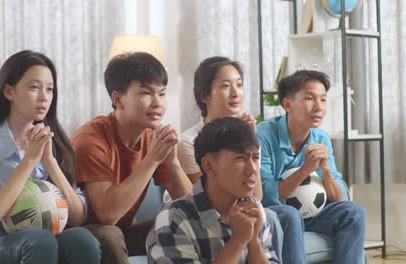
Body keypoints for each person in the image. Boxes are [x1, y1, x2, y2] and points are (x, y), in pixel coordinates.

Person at [0, 50, 101, 264]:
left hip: (40, 243)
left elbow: (78, 218)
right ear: (9, 91)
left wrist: (49, 162)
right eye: (34, 87)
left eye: (50, 89)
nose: (44, 97)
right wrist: (29, 161)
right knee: (40, 240)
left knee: (82, 239)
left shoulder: (53, 141)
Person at [71, 52, 193, 263]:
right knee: (110, 235)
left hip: (120, 233)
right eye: (146, 93)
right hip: (79, 238)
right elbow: (107, 216)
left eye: (162, 94)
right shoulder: (90, 139)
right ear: (118, 99)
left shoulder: (152, 137)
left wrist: (172, 163)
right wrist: (152, 160)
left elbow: (193, 208)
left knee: (181, 222)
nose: (158, 103)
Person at [176, 56, 301, 262]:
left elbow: (255, 196)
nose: (236, 92)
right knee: (271, 216)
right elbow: (209, 195)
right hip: (202, 214)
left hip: (237, 204)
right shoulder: (189, 142)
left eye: (239, 85)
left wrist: (251, 141)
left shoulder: (247, 135)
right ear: (204, 95)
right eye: (226, 86)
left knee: (278, 214)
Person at [257, 70, 366, 263]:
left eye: (323, 100)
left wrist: (325, 171)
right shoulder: (263, 135)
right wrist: (305, 170)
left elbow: (337, 197)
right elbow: (266, 195)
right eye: (309, 99)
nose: (319, 107)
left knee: (353, 211)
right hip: (276, 213)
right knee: (290, 214)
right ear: (287, 104)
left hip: (312, 213)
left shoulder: (321, 137)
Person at [147, 117, 279, 263]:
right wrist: (237, 242)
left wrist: (254, 242)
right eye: (240, 158)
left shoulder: (252, 209)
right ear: (208, 166)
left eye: (255, 157)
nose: (253, 169)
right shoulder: (173, 219)